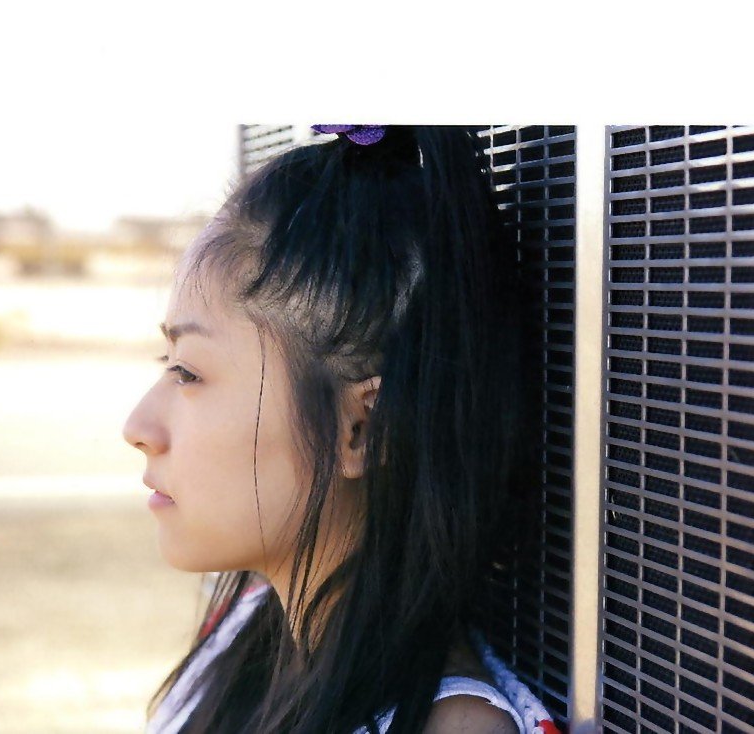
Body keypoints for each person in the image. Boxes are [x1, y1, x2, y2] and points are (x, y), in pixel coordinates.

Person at [122, 126, 562, 733]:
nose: (138, 427)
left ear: (364, 428)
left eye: (188, 373)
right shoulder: (241, 637)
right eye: (166, 363)